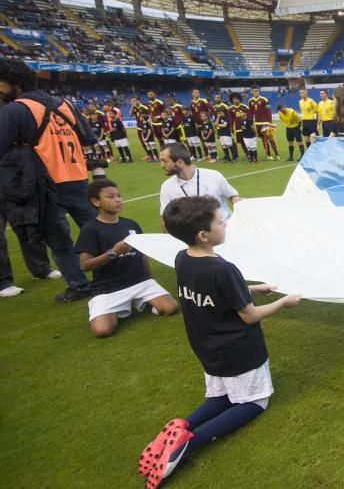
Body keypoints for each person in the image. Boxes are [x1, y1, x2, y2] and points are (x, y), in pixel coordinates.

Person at [141, 195, 301, 489]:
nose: (225, 223)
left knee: (226, 394)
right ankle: (190, 443)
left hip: (207, 346)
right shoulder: (223, 269)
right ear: (204, 234)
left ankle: (182, 426)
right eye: (219, 220)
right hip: (238, 349)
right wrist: (283, 303)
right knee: (254, 402)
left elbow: (216, 292)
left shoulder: (183, 258)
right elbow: (250, 316)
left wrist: (252, 288)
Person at [0, 57, 95, 302]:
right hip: (78, 177)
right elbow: (88, 138)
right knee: (97, 231)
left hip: (47, 184)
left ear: (14, 83)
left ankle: (79, 286)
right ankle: (119, 276)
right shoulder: (64, 104)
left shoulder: (15, 109)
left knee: (59, 241)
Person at [75, 179, 178, 337]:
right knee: (103, 331)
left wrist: (150, 280)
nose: (117, 199)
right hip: (107, 287)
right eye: (110, 197)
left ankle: (142, 301)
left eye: (119, 195)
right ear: (96, 202)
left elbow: (142, 255)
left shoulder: (131, 224)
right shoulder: (90, 229)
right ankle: (115, 309)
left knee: (171, 308)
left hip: (139, 281)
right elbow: (85, 265)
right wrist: (113, 253)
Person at [159, 143, 242, 222]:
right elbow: (165, 219)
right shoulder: (166, 187)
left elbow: (232, 196)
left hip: (226, 229)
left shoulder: (213, 175)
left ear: (180, 162)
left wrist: (235, 199)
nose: (162, 165)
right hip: (194, 235)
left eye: (165, 161)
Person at [249, 86, 278, 161]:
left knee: (270, 139)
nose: (256, 92)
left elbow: (269, 111)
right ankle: (269, 156)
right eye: (254, 91)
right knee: (263, 140)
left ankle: (277, 155)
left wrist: (270, 123)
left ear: (259, 91)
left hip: (265, 123)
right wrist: (251, 122)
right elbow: (250, 113)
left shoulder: (264, 100)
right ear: (252, 92)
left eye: (257, 91)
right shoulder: (250, 101)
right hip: (257, 124)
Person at [213, 95, 237, 163]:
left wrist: (218, 124)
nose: (219, 114)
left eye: (220, 112)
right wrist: (217, 118)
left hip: (226, 133)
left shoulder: (225, 117)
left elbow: (224, 125)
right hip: (221, 133)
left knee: (230, 145)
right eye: (218, 113)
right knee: (224, 146)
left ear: (223, 112)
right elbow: (215, 124)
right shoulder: (219, 118)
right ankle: (227, 158)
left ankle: (235, 157)